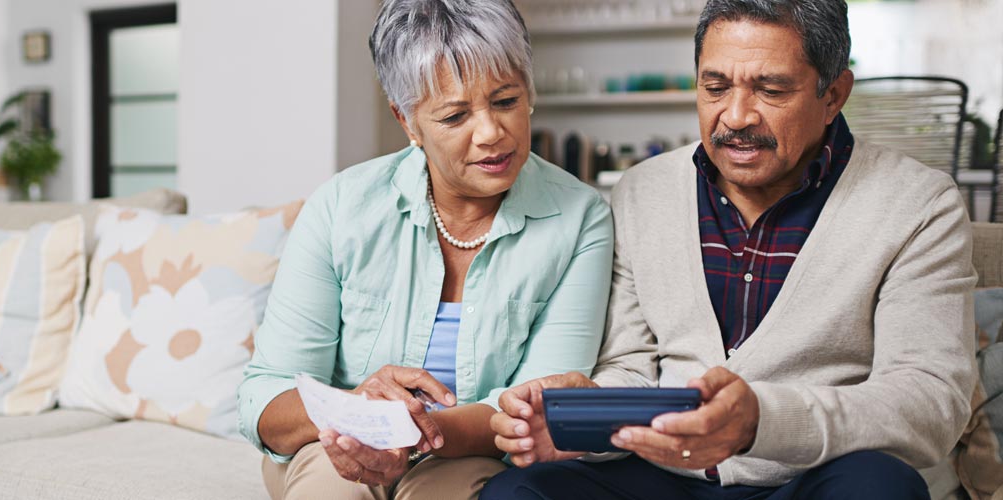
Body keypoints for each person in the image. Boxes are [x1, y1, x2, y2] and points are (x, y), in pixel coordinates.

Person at [484, 0, 977, 498]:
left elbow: (929, 404)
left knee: (878, 488)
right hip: (664, 478)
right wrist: (588, 419)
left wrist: (761, 421)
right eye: (715, 87)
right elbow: (633, 367)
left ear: (833, 95)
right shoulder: (642, 190)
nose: (736, 117)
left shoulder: (918, 203)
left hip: (811, 478)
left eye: (771, 90)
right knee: (517, 491)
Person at [236, 1, 614, 498]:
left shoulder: (581, 218)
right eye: (455, 115)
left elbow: (534, 410)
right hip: (335, 444)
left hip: (470, 451)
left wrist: (412, 430)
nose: (491, 133)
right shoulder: (341, 206)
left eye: (506, 101)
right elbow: (265, 395)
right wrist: (357, 414)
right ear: (408, 122)